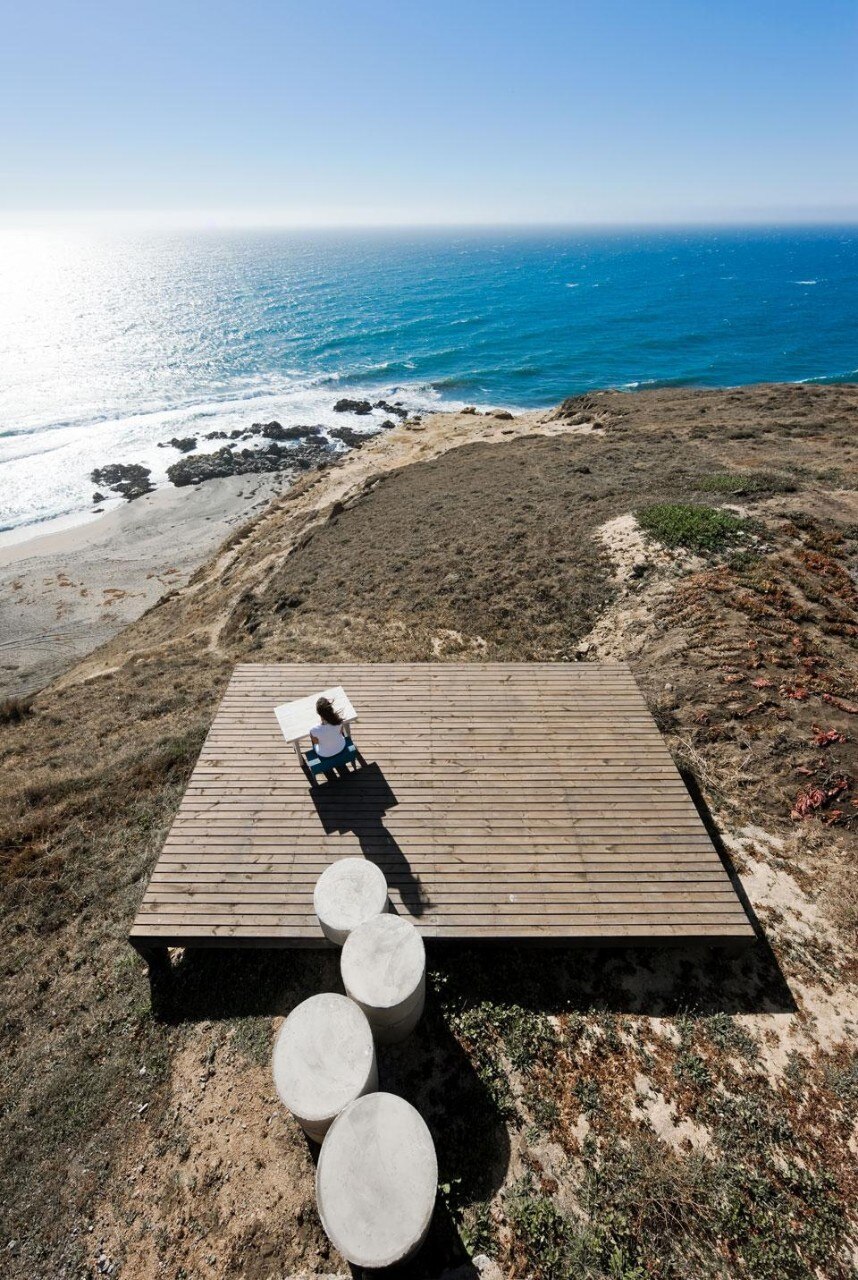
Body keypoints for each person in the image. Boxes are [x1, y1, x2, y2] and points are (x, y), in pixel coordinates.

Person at [310, 696, 349, 763]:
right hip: (341, 747)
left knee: (314, 745)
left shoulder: (313, 730)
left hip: (324, 754)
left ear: (318, 713)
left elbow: (316, 742)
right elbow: (340, 732)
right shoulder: (338, 721)